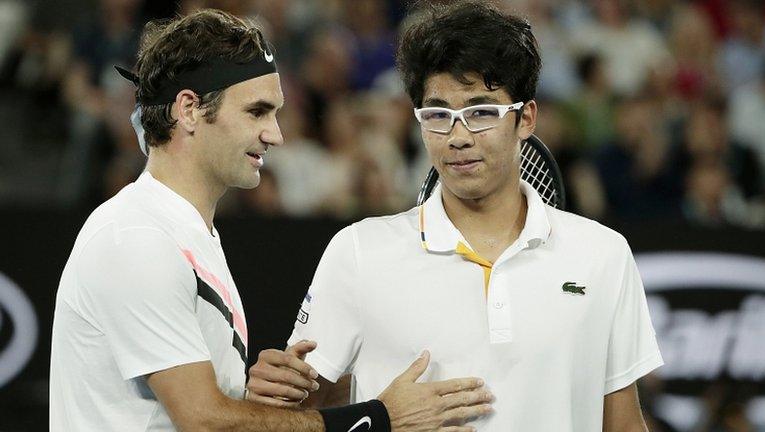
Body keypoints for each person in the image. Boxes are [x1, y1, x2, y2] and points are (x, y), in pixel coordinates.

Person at [48, 9, 493, 432]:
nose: (275, 134)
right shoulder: (138, 239)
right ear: (188, 110)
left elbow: (190, 413)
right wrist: (378, 419)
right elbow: (203, 421)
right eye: (257, 111)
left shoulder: (184, 235)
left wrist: (248, 395)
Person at [248, 2, 664, 431]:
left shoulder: (603, 255)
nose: (458, 136)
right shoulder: (358, 251)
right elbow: (300, 409)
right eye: (438, 115)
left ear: (526, 118)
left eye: (481, 112)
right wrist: (275, 397)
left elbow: (624, 424)